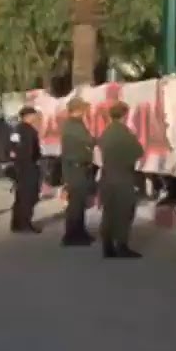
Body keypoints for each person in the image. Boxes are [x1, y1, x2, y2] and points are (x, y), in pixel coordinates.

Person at [98, 102, 144, 259]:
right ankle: (122, 246)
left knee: (109, 211)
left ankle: (107, 245)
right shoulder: (125, 133)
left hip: (107, 176)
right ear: (125, 115)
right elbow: (138, 151)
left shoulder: (106, 131)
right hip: (123, 176)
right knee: (124, 212)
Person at [61, 97, 97, 246]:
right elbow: (88, 140)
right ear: (78, 110)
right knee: (75, 204)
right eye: (84, 108)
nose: (86, 111)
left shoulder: (75, 124)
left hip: (78, 167)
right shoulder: (73, 125)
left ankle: (80, 232)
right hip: (76, 168)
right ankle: (72, 235)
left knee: (79, 202)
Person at [9, 106, 43, 233]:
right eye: (34, 115)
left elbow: (12, 147)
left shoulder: (16, 129)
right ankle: (25, 224)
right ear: (28, 116)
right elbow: (29, 150)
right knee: (29, 196)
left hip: (18, 166)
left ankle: (16, 223)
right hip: (28, 166)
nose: (36, 117)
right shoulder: (29, 130)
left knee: (20, 195)